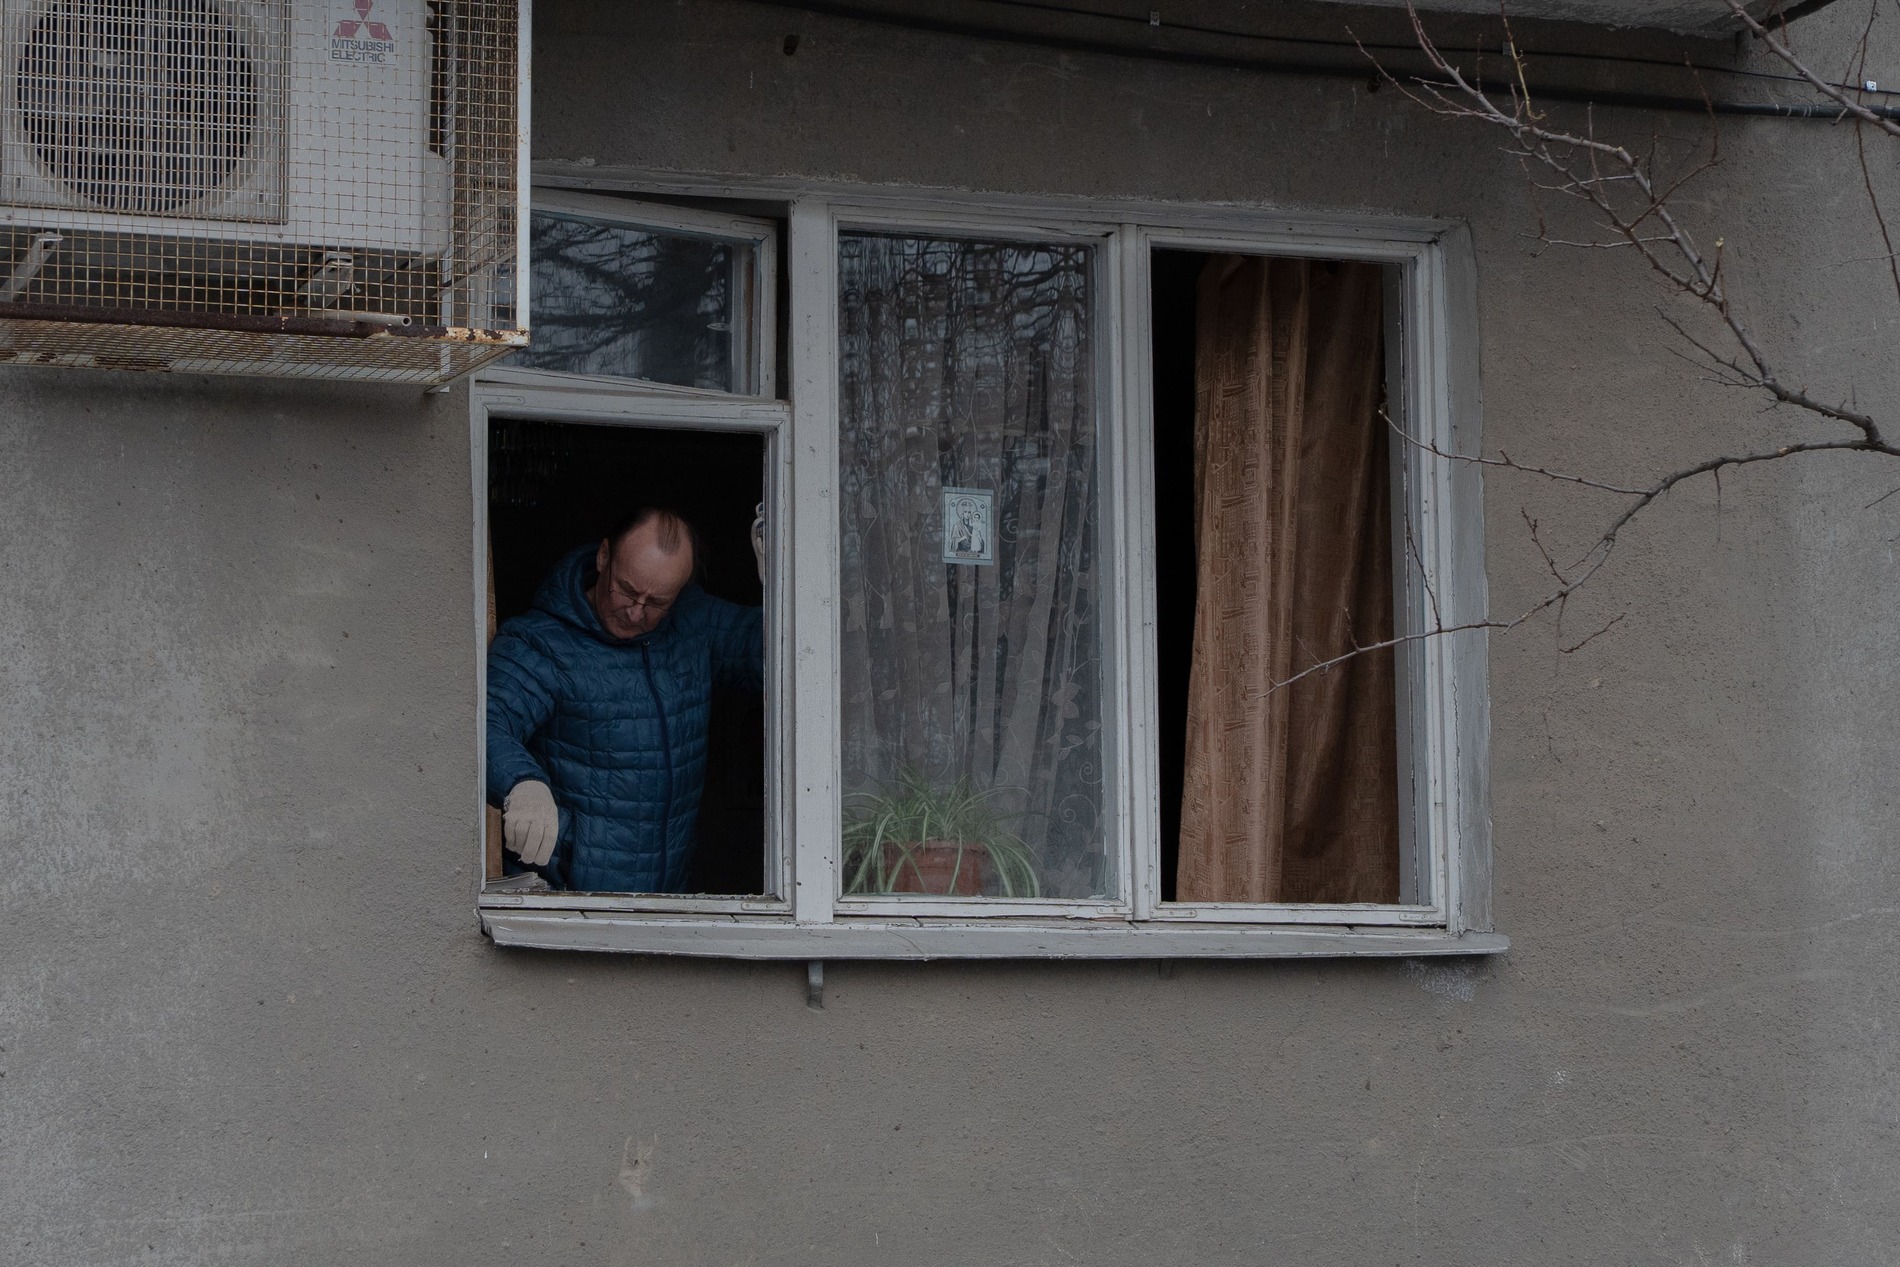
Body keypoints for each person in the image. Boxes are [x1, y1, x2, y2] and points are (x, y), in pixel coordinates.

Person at [486, 507, 763, 892]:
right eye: (627, 590)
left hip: (669, 897)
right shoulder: (541, 643)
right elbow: (486, 719)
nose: (635, 613)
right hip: (570, 897)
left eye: (657, 602)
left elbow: (770, 649)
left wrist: (786, 580)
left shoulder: (691, 622)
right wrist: (522, 783)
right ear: (604, 557)